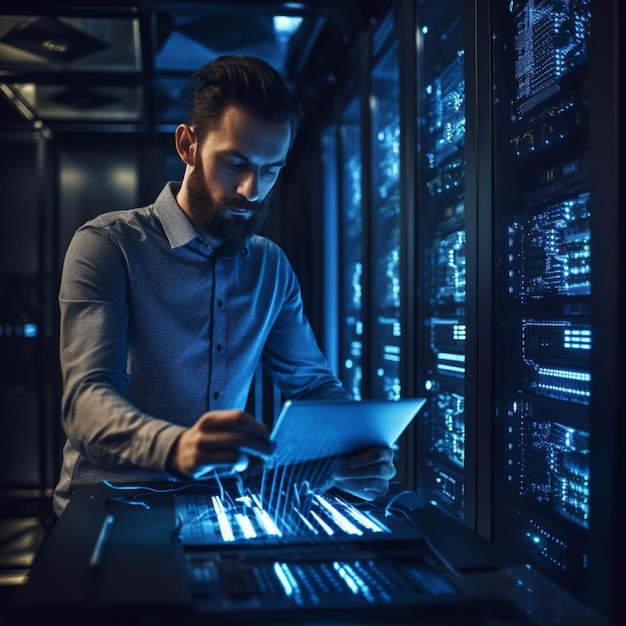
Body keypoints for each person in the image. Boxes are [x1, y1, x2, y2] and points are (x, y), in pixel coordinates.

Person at [53, 54, 395, 517]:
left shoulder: (270, 266)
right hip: (108, 508)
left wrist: (351, 450)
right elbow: (86, 400)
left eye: (272, 169)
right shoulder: (107, 246)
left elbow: (312, 385)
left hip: (218, 509)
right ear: (188, 145)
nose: (252, 190)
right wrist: (176, 447)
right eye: (236, 163)